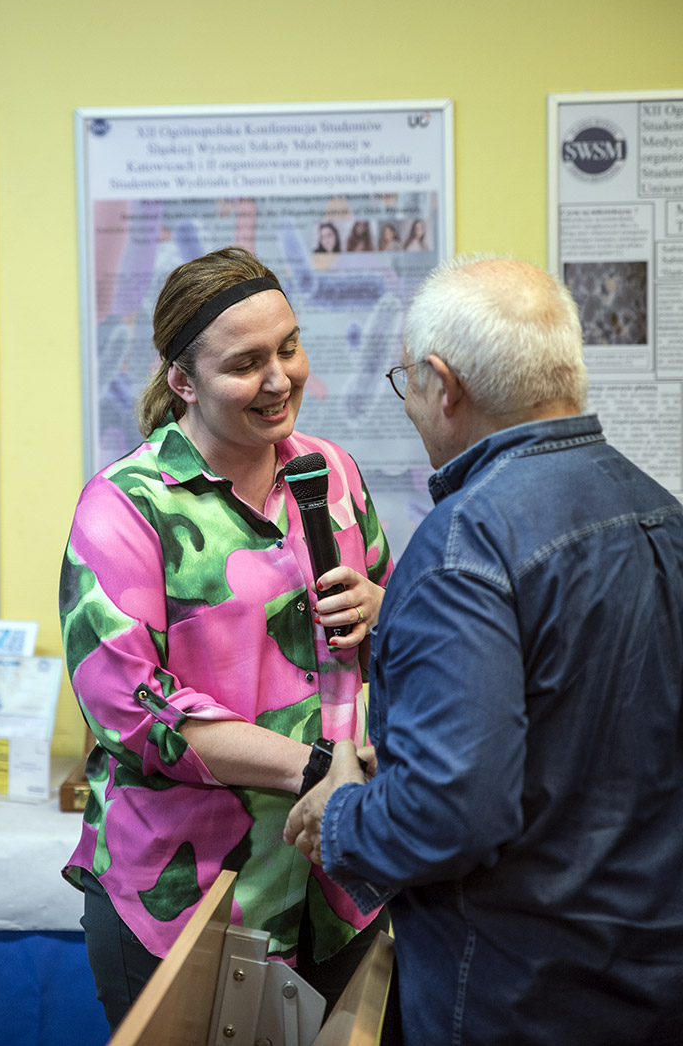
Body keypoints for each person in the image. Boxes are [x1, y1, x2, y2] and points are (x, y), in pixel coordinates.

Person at [285, 257, 683, 1045]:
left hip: (518, 997)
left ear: (444, 384)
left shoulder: (464, 546)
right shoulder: (660, 512)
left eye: (407, 382)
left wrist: (343, 817)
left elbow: (450, 815)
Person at [59, 246, 392, 1033]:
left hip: (337, 888)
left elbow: (397, 641)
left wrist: (385, 611)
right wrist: (322, 769)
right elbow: (134, 711)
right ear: (183, 380)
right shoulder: (125, 507)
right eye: (245, 364)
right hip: (187, 901)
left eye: (288, 348)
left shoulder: (332, 472)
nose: (279, 379)